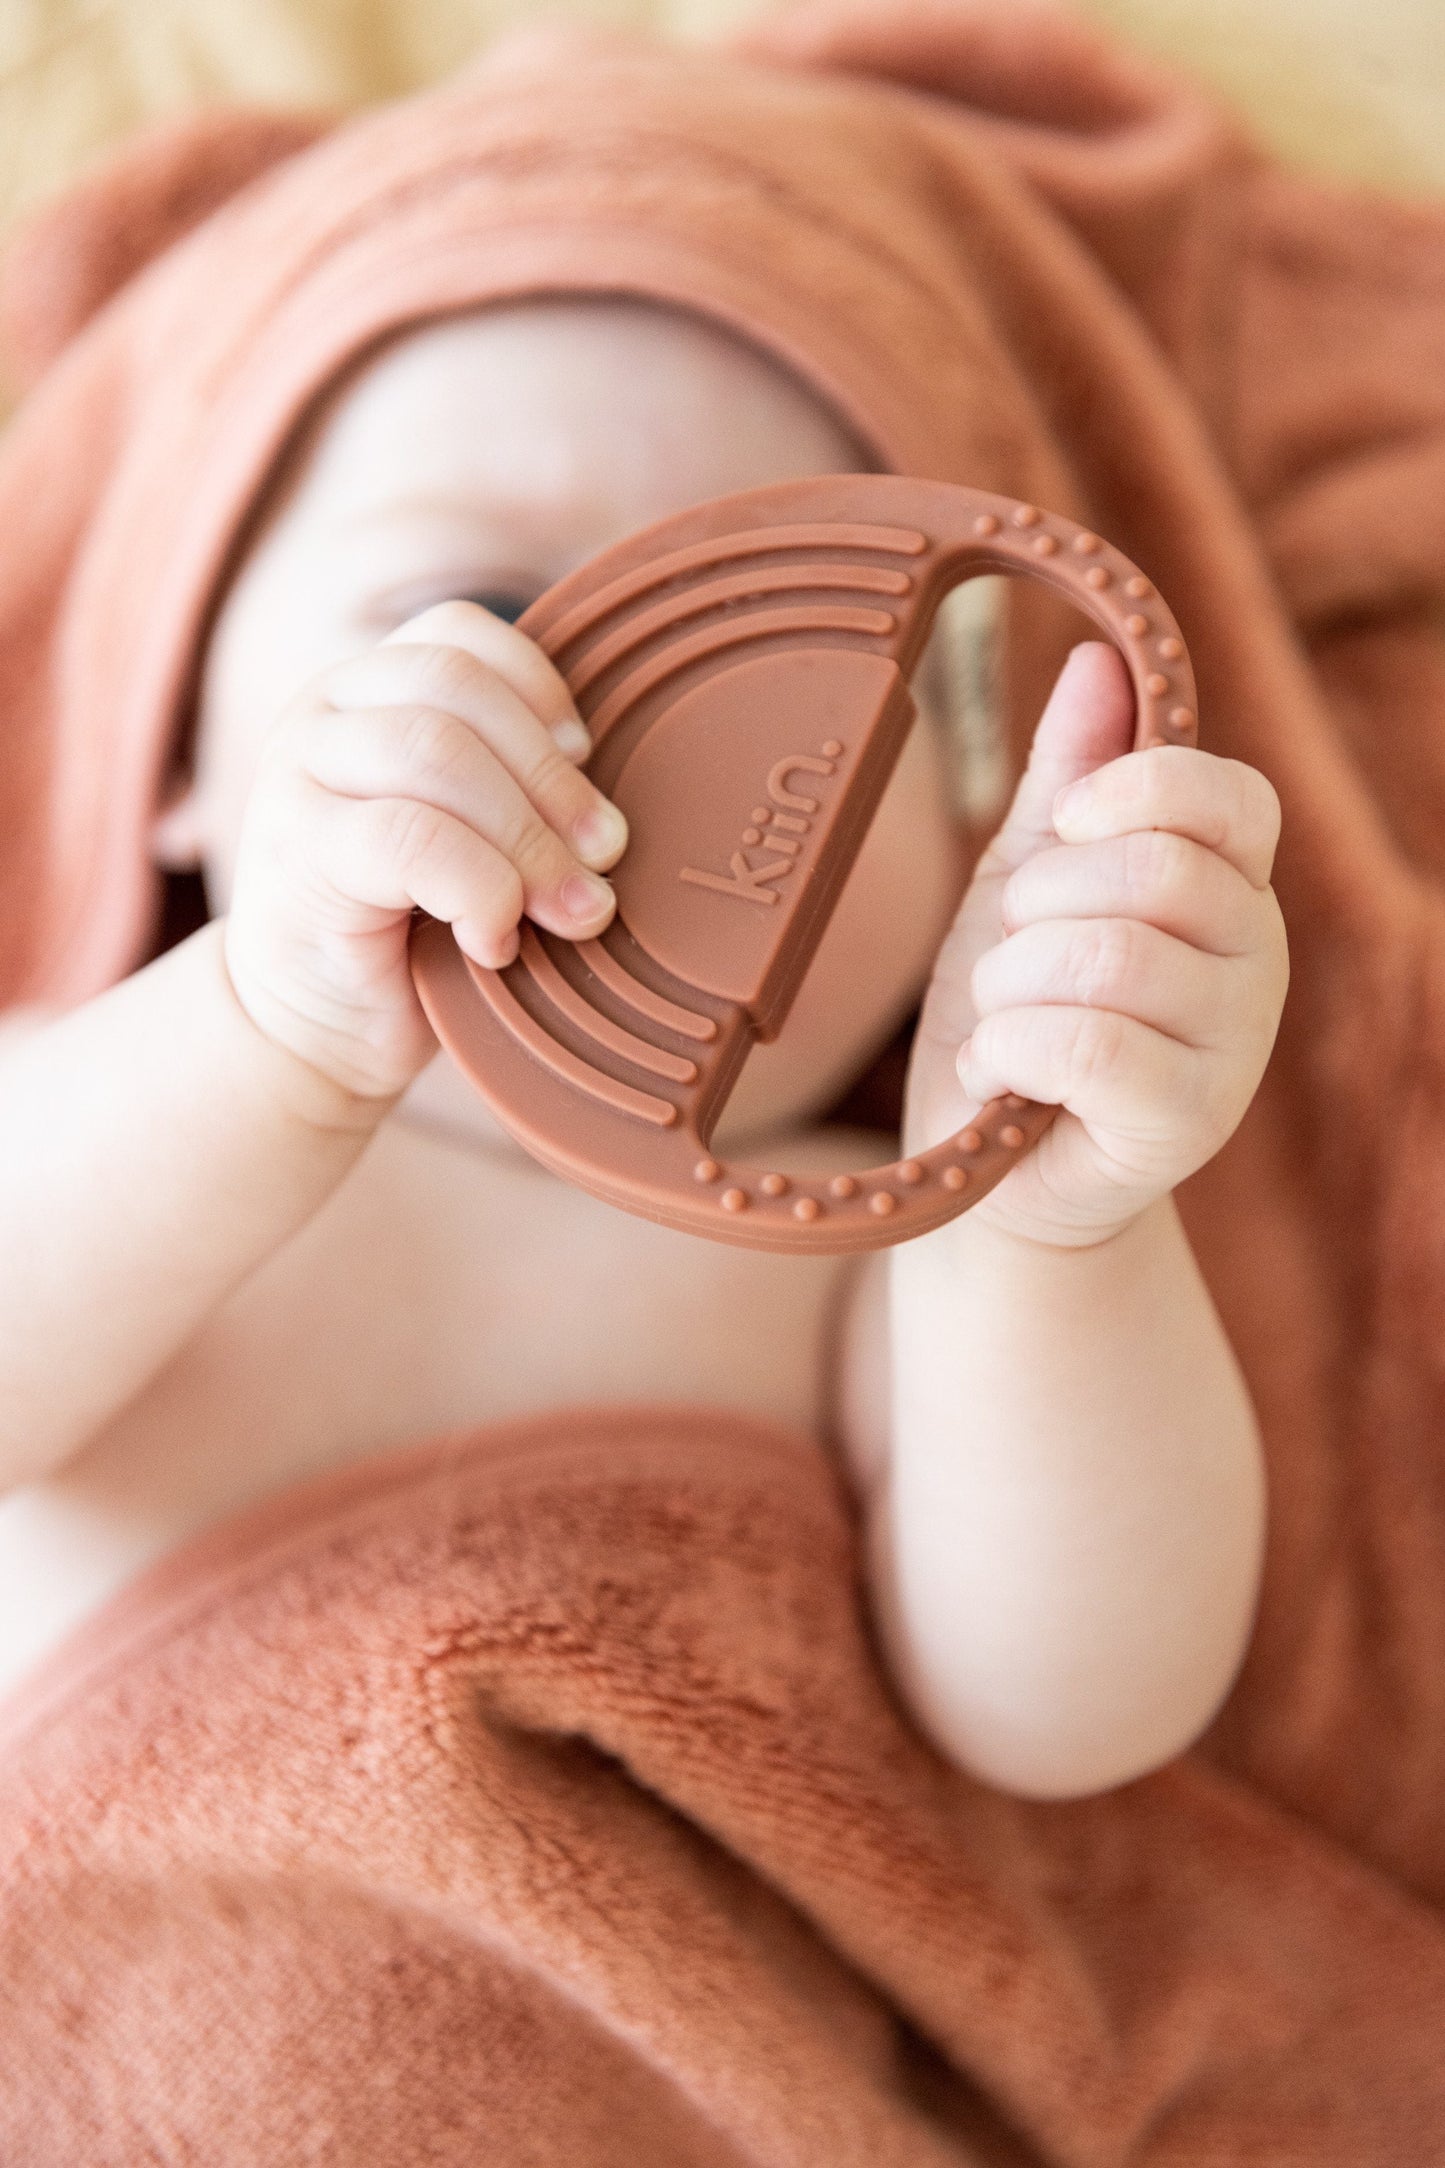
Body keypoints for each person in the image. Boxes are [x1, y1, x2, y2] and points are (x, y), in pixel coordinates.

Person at [0, 264, 1286, 1797]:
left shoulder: (877, 1261)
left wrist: (1044, 1229)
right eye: (480, 614)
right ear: (176, 752)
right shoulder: (90, 1099)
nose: (643, 742)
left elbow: (1074, 1723)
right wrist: (261, 1025)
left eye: (786, 656)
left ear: (970, 821)